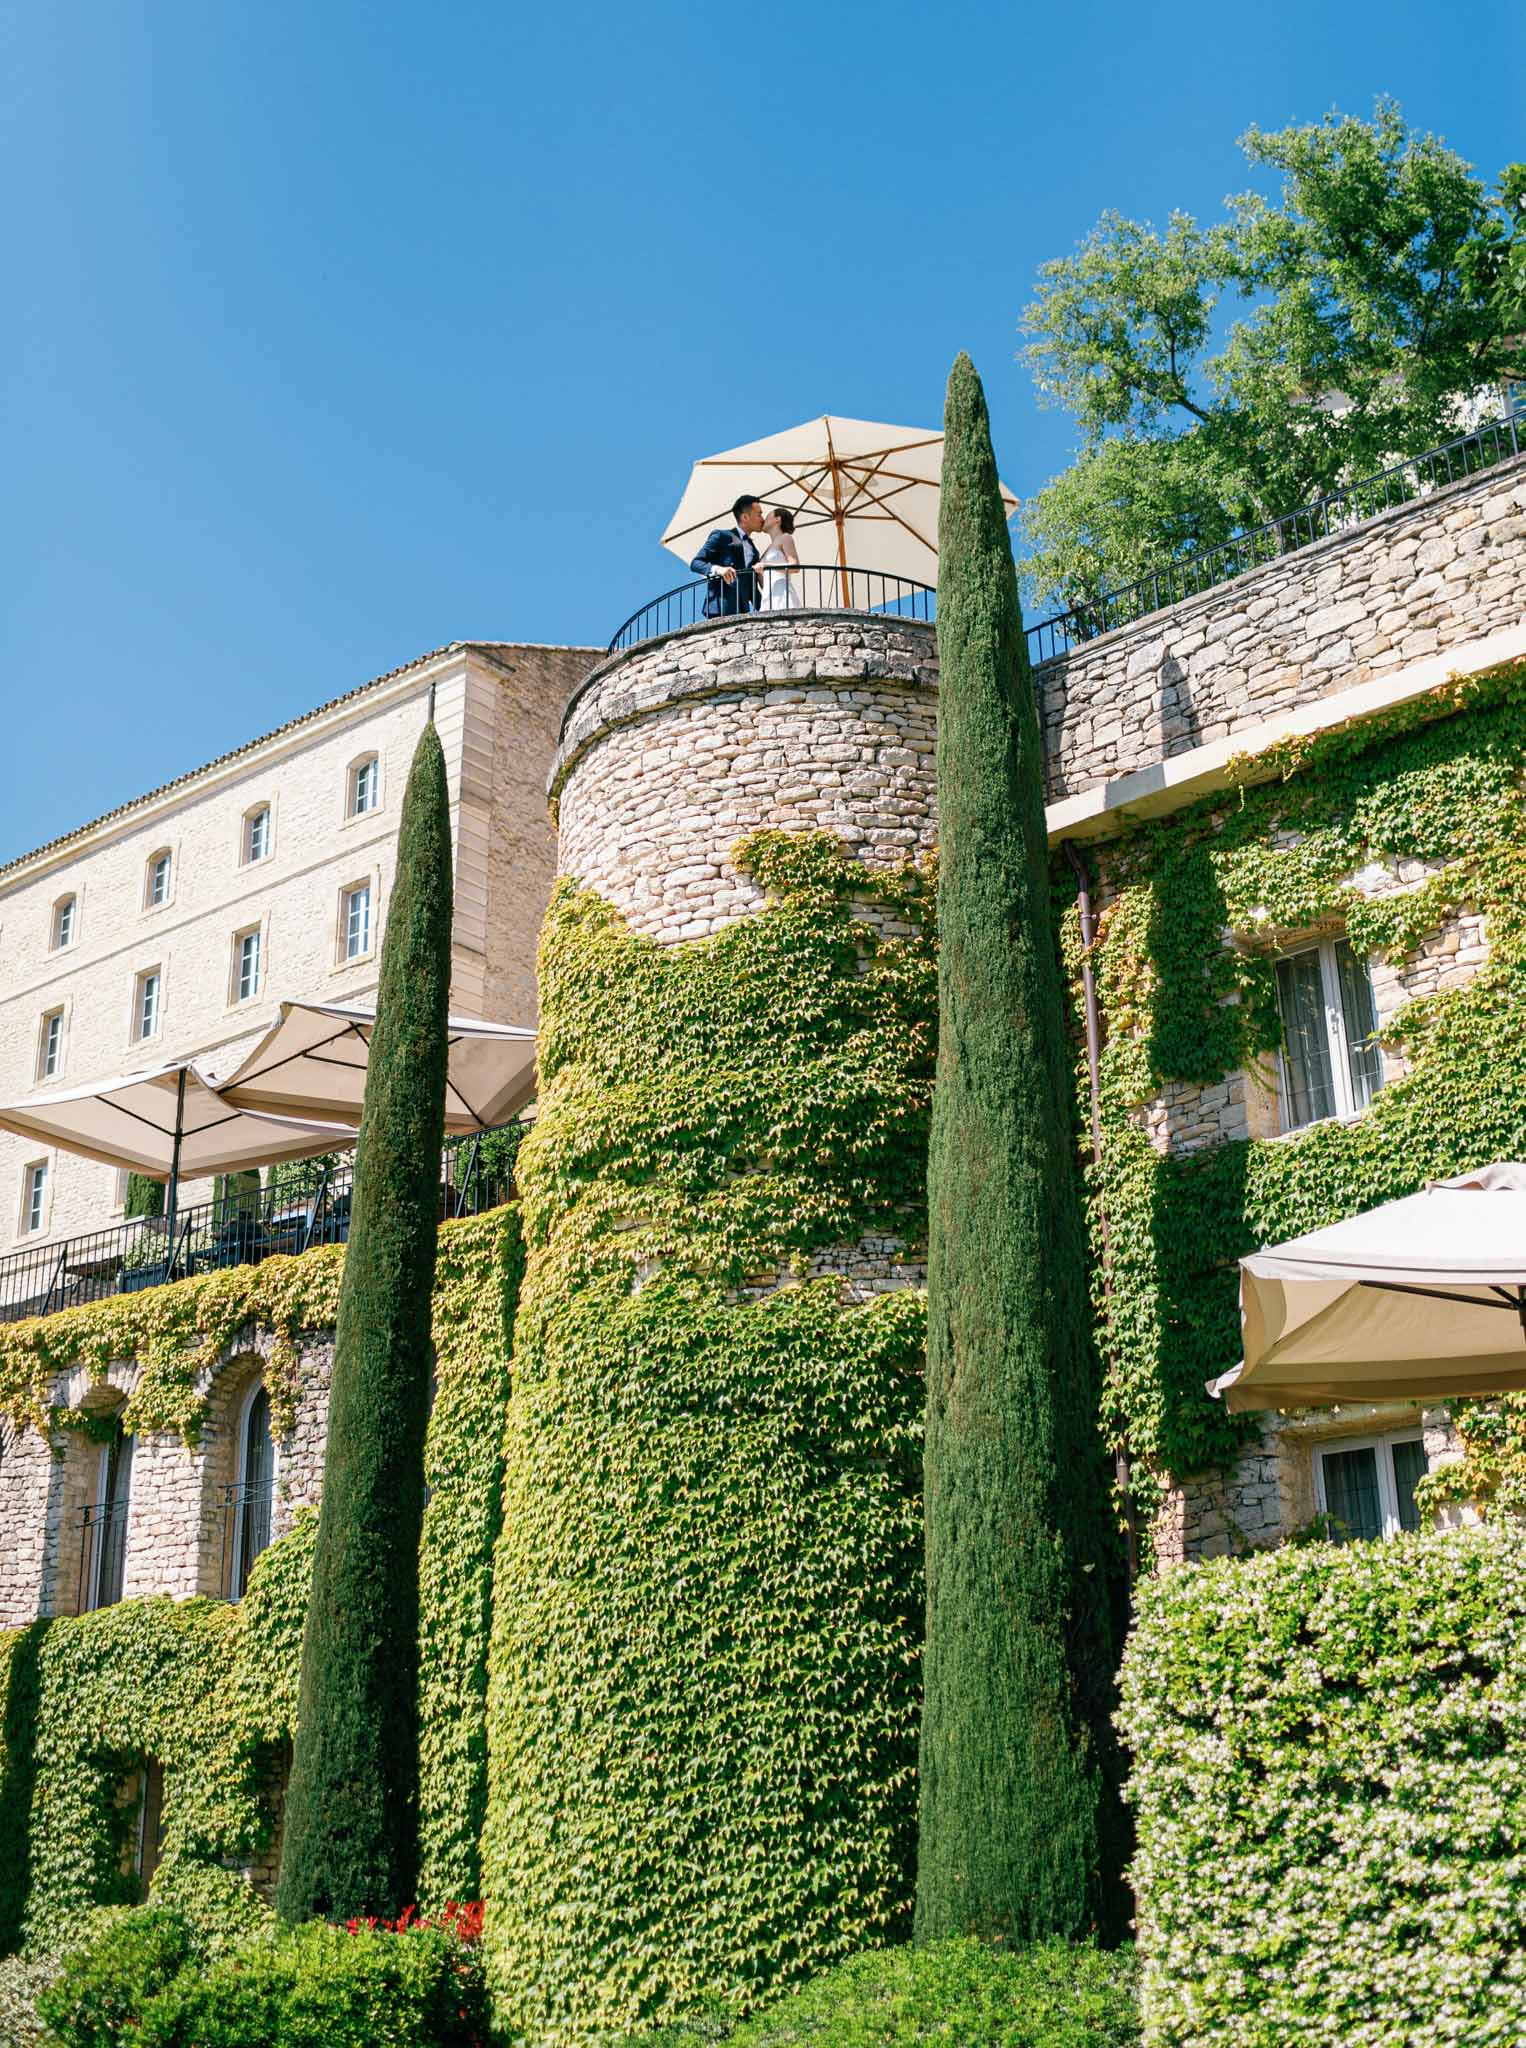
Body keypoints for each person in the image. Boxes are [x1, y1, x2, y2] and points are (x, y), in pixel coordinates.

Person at [690, 494, 764, 616]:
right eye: (759, 514)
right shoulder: (721, 536)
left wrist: (768, 609)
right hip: (720, 607)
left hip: (743, 612)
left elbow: (751, 587)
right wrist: (719, 569)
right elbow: (696, 563)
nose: (762, 519)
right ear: (745, 517)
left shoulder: (754, 550)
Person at [756, 506, 802, 610]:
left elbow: (795, 566)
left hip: (782, 593)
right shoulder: (768, 547)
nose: (763, 520)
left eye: (767, 516)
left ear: (778, 519)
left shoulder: (785, 538)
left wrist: (766, 566)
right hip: (769, 595)